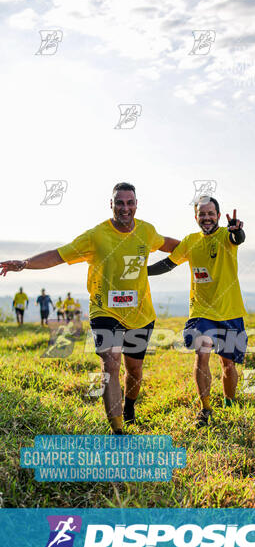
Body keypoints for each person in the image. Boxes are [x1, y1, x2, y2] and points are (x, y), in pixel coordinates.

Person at [0, 182, 179, 434]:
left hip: (140, 314)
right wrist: (24, 263)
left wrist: (198, 249)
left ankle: (128, 407)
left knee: (134, 370)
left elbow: (171, 245)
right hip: (104, 311)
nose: (124, 208)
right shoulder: (96, 236)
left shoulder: (147, 232)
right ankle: (117, 431)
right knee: (110, 363)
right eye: (119, 202)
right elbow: (58, 255)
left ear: (137, 205)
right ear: (111, 204)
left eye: (130, 203)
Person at [148, 196, 247, 428]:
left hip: (230, 311)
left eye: (211, 213)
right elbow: (168, 264)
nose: (206, 218)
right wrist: (142, 273)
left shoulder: (226, 236)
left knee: (228, 364)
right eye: (202, 214)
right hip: (201, 312)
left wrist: (237, 231)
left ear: (219, 216)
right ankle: (205, 410)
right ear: (196, 217)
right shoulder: (190, 242)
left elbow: (238, 238)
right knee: (201, 354)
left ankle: (230, 405)